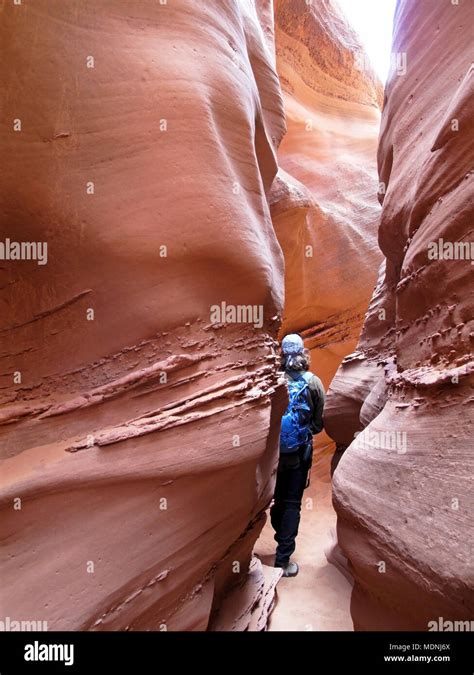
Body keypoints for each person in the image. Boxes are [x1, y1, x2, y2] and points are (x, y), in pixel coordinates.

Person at [271, 333, 325, 577]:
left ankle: (278, 531)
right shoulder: (313, 382)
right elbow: (318, 423)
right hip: (299, 454)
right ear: (304, 353)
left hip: (273, 455)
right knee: (292, 504)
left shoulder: (273, 380)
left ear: (281, 353)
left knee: (276, 501)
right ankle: (282, 560)